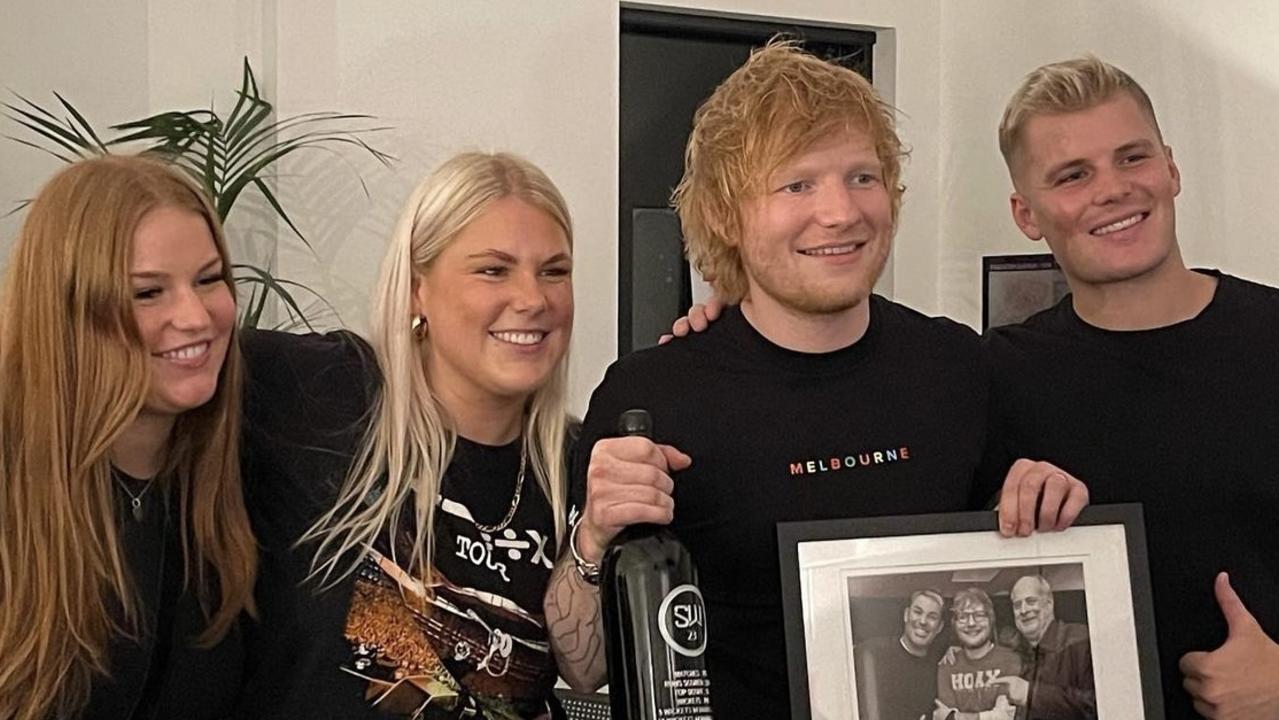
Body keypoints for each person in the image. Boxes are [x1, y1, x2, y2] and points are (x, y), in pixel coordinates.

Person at [544, 40, 1088, 719]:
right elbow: (583, 665)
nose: (839, 212)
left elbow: (1015, 570)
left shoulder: (960, 367)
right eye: (796, 184)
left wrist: (1048, 508)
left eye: (862, 177)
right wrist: (592, 539)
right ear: (724, 215)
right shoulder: (649, 399)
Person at [233, 151, 578, 719]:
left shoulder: (574, 466)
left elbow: (595, 667)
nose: (533, 299)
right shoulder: (325, 392)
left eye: (554, 271)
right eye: (493, 269)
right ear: (419, 289)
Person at [984, 56, 1279, 720]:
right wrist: (715, 327)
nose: (1111, 189)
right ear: (1025, 213)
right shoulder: (994, 376)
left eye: (1131, 158)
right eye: (1072, 175)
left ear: (1169, 169)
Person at [0, 155, 256, 720]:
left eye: (208, 279)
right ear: (68, 311)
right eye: (148, 293)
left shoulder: (248, 459)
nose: (196, 317)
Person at [986, 576, 1094, 720]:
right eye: (1017, 605)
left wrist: (1030, 694)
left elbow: (1098, 704)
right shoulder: (1019, 653)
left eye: (1031, 601)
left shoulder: (1081, 639)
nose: (1023, 610)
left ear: (1049, 604)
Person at [855, 589, 948, 720]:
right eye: (917, 612)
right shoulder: (874, 653)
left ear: (939, 627)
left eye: (932, 617)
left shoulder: (941, 662)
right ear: (906, 615)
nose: (923, 621)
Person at [934, 589, 1023, 720]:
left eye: (979, 615)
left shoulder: (1011, 661)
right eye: (963, 617)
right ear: (954, 624)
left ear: (991, 620)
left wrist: (956, 717)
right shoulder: (947, 665)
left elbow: (1004, 717)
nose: (971, 623)